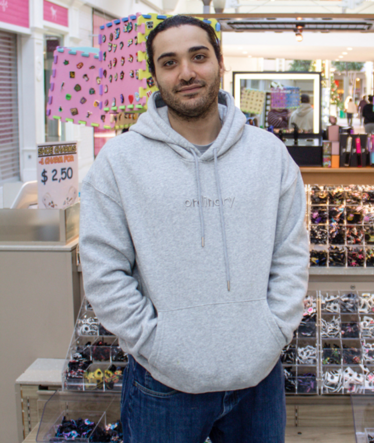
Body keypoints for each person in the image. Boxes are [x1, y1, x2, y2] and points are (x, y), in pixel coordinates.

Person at [79, 15, 309, 443]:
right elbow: (103, 269)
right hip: (162, 384)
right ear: (154, 75)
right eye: (169, 62)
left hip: (258, 379)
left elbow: (290, 252)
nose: (186, 73)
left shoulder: (269, 155)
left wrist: (274, 331)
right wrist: (153, 343)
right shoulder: (119, 161)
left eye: (198, 57)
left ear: (220, 62)